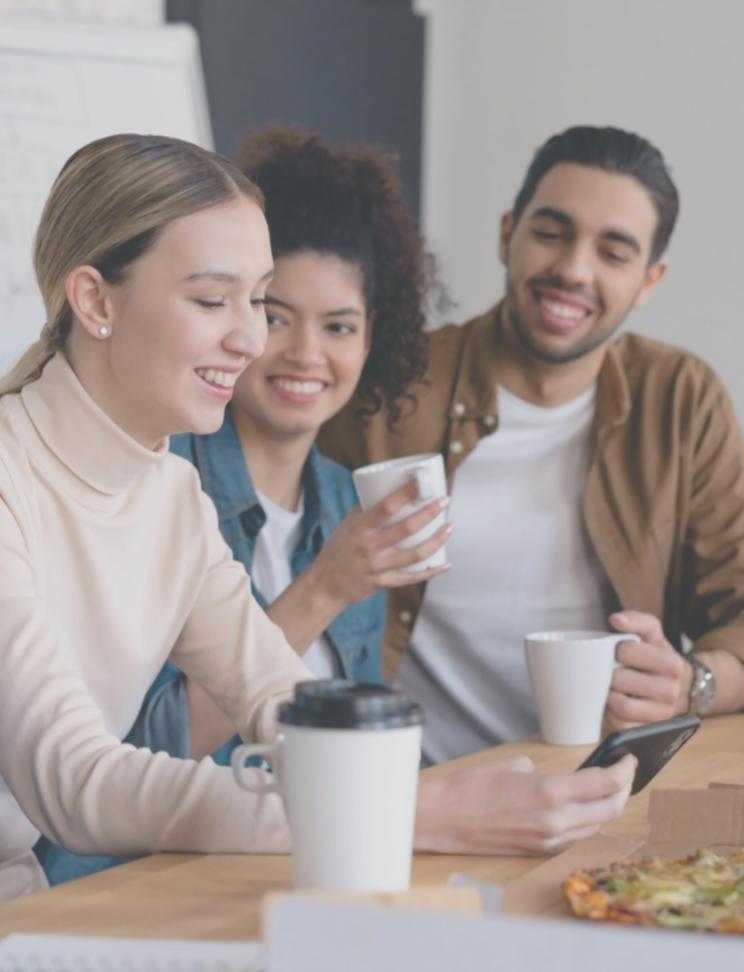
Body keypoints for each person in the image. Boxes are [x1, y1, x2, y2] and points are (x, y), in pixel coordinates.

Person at [0, 132, 634, 918]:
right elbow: (76, 787)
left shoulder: (169, 493)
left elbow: (281, 702)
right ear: (95, 300)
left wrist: (446, 786)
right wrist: (414, 811)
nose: (250, 339)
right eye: (215, 300)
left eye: (256, 299)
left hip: (14, 911)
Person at [321, 125, 744, 763]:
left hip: (601, 788)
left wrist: (692, 683)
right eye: (552, 233)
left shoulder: (681, 399)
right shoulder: (392, 385)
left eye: (613, 253)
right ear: (508, 234)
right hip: (412, 788)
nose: (572, 270)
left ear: (649, 280)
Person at [36, 126, 449, 884]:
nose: (299, 352)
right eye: (274, 311)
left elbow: (337, 736)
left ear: (372, 341)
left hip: (285, 866)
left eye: (339, 327)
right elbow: (138, 754)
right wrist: (326, 587)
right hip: (142, 882)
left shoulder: (341, 502)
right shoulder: (157, 479)